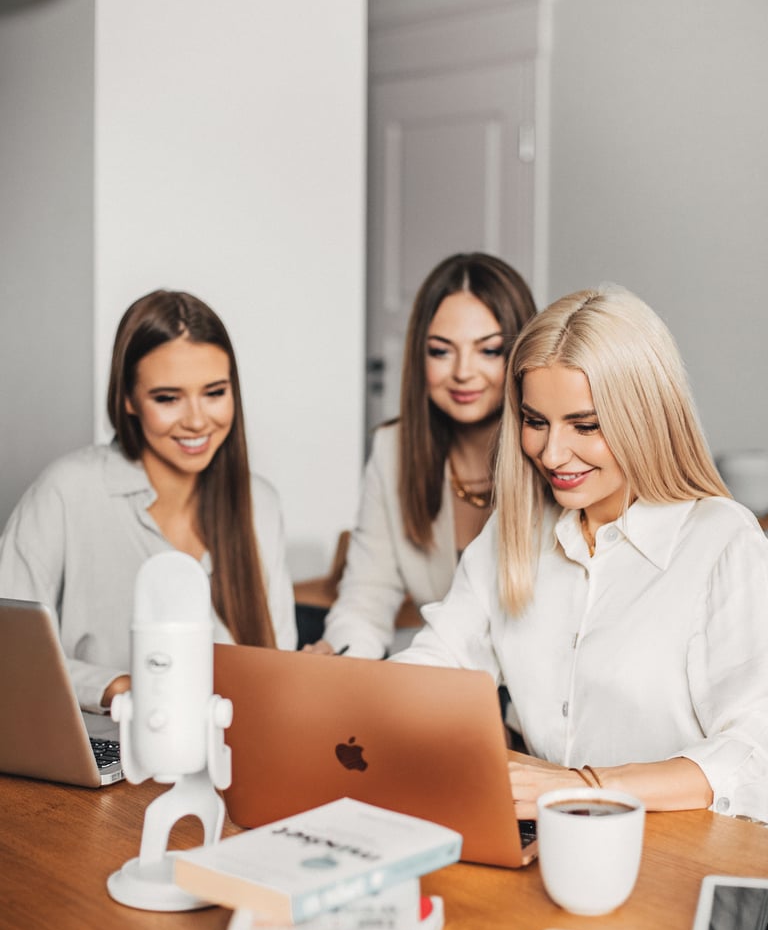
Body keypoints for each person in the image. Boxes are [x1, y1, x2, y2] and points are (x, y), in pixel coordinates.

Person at [394, 286, 768, 824]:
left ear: (645, 417)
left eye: (584, 425)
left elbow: (755, 750)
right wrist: (358, 712)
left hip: (672, 850)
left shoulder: (720, 541)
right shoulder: (516, 529)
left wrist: (585, 787)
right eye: (535, 421)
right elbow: (436, 664)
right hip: (546, 838)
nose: (552, 453)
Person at [0, 290, 297, 713]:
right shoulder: (67, 491)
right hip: (103, 755)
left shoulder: (259, 503)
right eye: (167, 398)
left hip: (230, 758)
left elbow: (277, 663)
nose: (197, 420)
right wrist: (113, 687)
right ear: (128, 399)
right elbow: (9, 651)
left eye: (214, 392)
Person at [305, 251, 536, 659]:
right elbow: (366, 597)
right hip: (442, 681)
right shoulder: (392, 450)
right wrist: (339, 656)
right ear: (419, 356)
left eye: (489, 351)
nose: (463, 372)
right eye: (441, 351)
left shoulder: (549, 452)